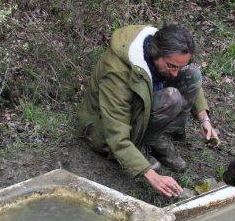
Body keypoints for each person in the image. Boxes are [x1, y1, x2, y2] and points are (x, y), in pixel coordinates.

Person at [77, 24, 219, 198]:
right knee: (172, 97)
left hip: (141, 108)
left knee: (193, 74)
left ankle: (156, 138)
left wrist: (204, 119)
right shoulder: (117, 72)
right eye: (172, 66)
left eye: (179, 67)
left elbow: (185, 75)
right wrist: (150, 174)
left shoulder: (161, 48)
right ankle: (139, 147)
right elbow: (116, 134)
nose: (175, 74)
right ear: (155, 53)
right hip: (103, 128)